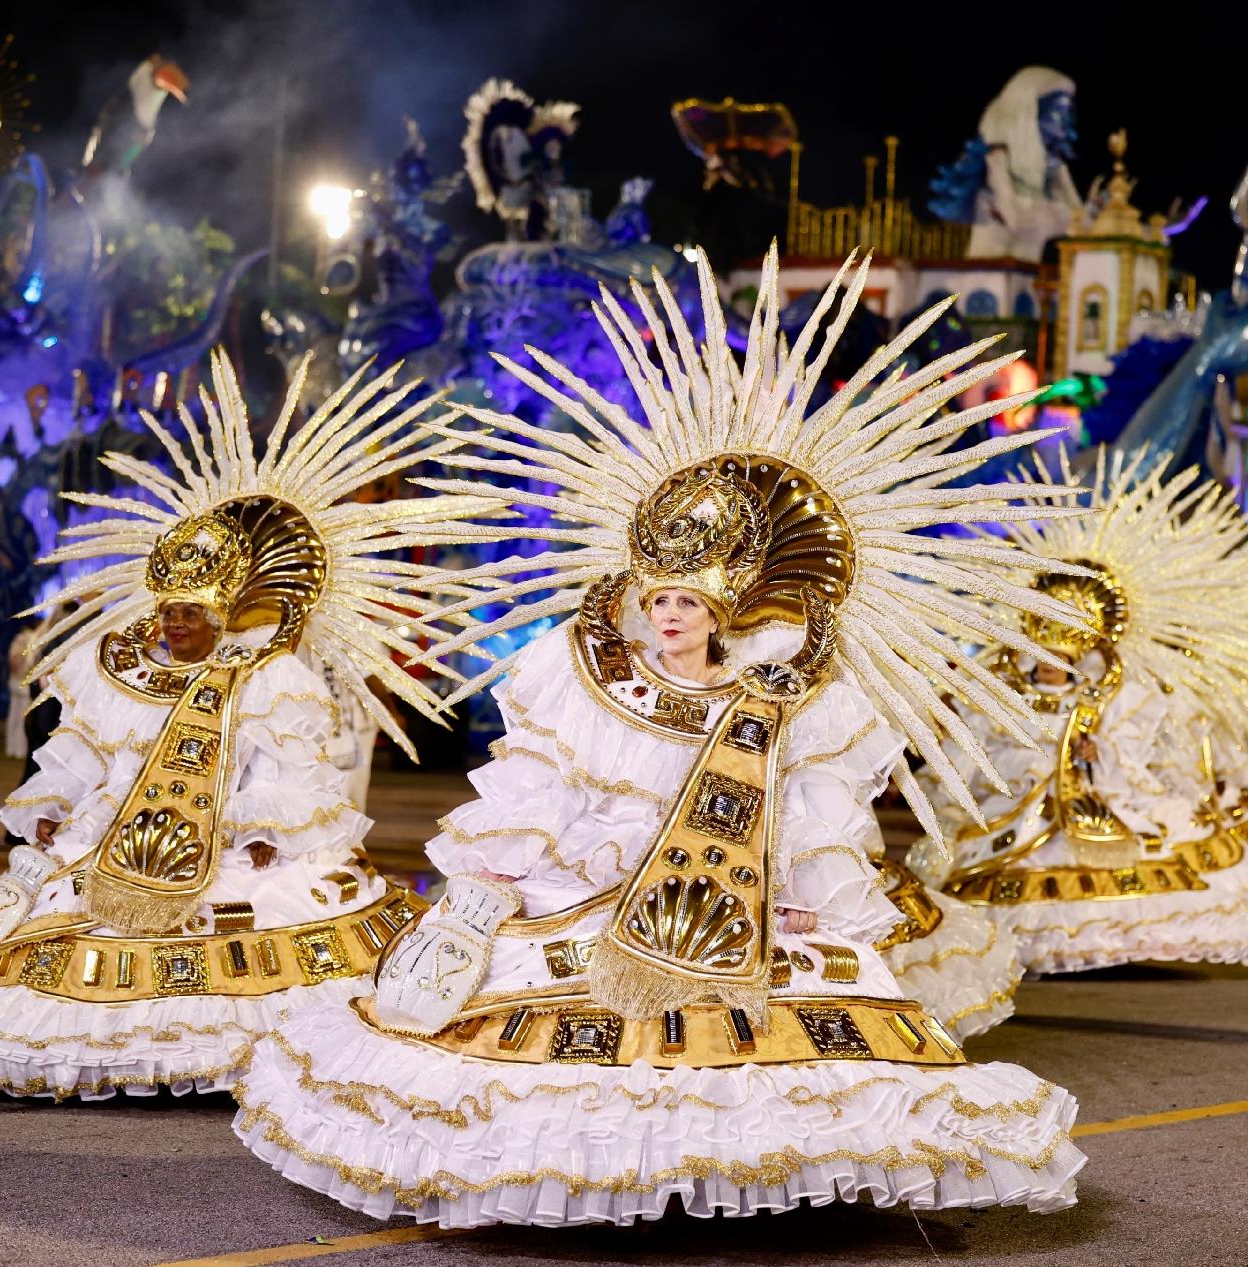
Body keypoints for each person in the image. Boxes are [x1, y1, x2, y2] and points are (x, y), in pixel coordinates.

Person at [232, 248, 1087, 1226]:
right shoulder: (585, 675)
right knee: (514, 979)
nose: (672, 616)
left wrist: (810, 901)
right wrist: (481, 890)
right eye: (659, 598)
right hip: (593, 889)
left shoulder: (791, 697)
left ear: (727, 606)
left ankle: (773, 1165)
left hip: (740, 905)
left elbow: (817, 816)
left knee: (824, 986)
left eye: (690, 600)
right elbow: (539, 790)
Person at [0, 350, 491, 1099]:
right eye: (168, 611)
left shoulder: (266, 674)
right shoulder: (125, 668)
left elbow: (288, 772)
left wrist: (268, 828)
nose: (176, 624)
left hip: (231, 832)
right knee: (52, 914)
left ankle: (208, 1057)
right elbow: (88, 750)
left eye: (191, 613)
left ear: (222, 612)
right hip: (112, 829)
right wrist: (52, 809)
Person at [918, 451, 1248, 973]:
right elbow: (975, 749)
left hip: (1087, 800)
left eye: (1060, 662)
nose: (1048, 672)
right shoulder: (1004, 686)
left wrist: (1093, 753)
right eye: (1042, 660)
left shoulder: (1116, 695)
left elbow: (1128, 758)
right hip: (1015, 804)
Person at [3, 615, 41, 759]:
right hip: (26, 683)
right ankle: (21, 749)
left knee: (14, 715)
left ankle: (11, 747)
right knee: (25, 716)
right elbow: (32, 661)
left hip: (14, 682)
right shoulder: (33, 638)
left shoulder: (18, 639)